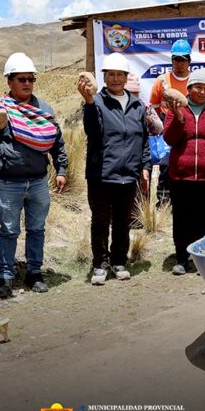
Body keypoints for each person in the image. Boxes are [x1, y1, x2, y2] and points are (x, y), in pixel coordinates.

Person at [0, 53, 68, 299]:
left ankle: (34, 272)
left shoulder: (44, 109)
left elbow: (57, 143)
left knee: (37, 229)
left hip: (39, 181)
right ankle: (5, 275)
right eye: (21, 79)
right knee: (8, 230)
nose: (27, 83)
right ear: (9, 81)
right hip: (9, 182)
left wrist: (61, 170)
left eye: (31, 79)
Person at [79, 53, 151, 285]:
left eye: (119, 74)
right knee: (100, 221)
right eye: (111, 74)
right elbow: (93, 131)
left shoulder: (137, 106)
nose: (115, 79)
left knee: (122, 221)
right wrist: (89, 102)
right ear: (105, 76)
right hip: (101, 174)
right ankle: (100, 263)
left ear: (126, 76)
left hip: (128, 174)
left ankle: (119, 261)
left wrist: (145, 166)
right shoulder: (96, 101)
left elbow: (144, 138)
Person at [163, 68, 205, 275]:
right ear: (189, 88)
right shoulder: (177, 108)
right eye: (197, 87)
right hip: (181, 175)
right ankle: (182, 258)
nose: (202, 92)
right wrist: (177, 117)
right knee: (183, 218)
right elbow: (169, 138)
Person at [148, 38, 193, 206]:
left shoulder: (194, 82)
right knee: (166, 166)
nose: (179, 63)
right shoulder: (162, 81)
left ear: (189, 60)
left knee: (186, 165)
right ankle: (164, 202)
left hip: (188, 128)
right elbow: (154, 108)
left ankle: (183, 201)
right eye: (176, 59)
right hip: (167, 128)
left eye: (182, 60)